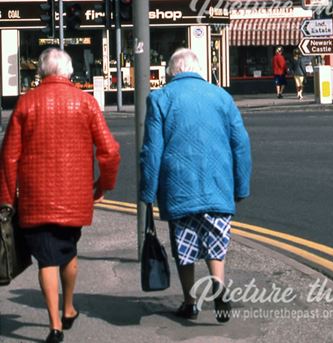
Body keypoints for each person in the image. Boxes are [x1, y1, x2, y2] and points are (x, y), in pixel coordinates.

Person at [0, 48, 120, 343]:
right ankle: (68, 309)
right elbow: (110, 151)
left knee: (47, 260)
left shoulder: (26, 103)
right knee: (68, 251)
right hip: (74, 198)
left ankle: (54, 325)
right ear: (68, 72)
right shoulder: (86, 103)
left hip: (34, 198)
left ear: (42, 72)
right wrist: (102, 185)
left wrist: (6, 199)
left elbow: (9, 157)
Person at [140, 49, 252, 324]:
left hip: (179, 186)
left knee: (185, 246)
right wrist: (241, 187)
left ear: (172, 71)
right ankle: (219, 285)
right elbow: (241, 144)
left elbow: (152, 151)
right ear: (197, 69)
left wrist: (147, 192)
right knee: (215, 241)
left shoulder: (160, 98)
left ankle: (190, 302)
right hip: (217, 185)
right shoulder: (222, 97)